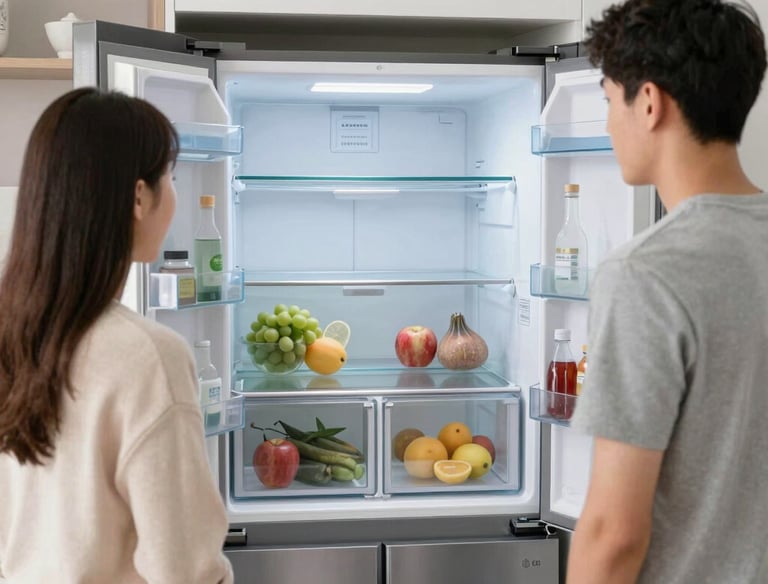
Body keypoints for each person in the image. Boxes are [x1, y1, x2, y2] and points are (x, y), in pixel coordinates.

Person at [567, 1, 768, 583]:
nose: (608, 123)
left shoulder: (646, 273)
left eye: (609, 100)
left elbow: (614, 533)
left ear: (649, 103)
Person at [0, 88, 233, 583]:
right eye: (170, 177)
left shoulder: (11, 334)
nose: (173, 195)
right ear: (139, 195)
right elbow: (185, 569)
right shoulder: (146, 356)